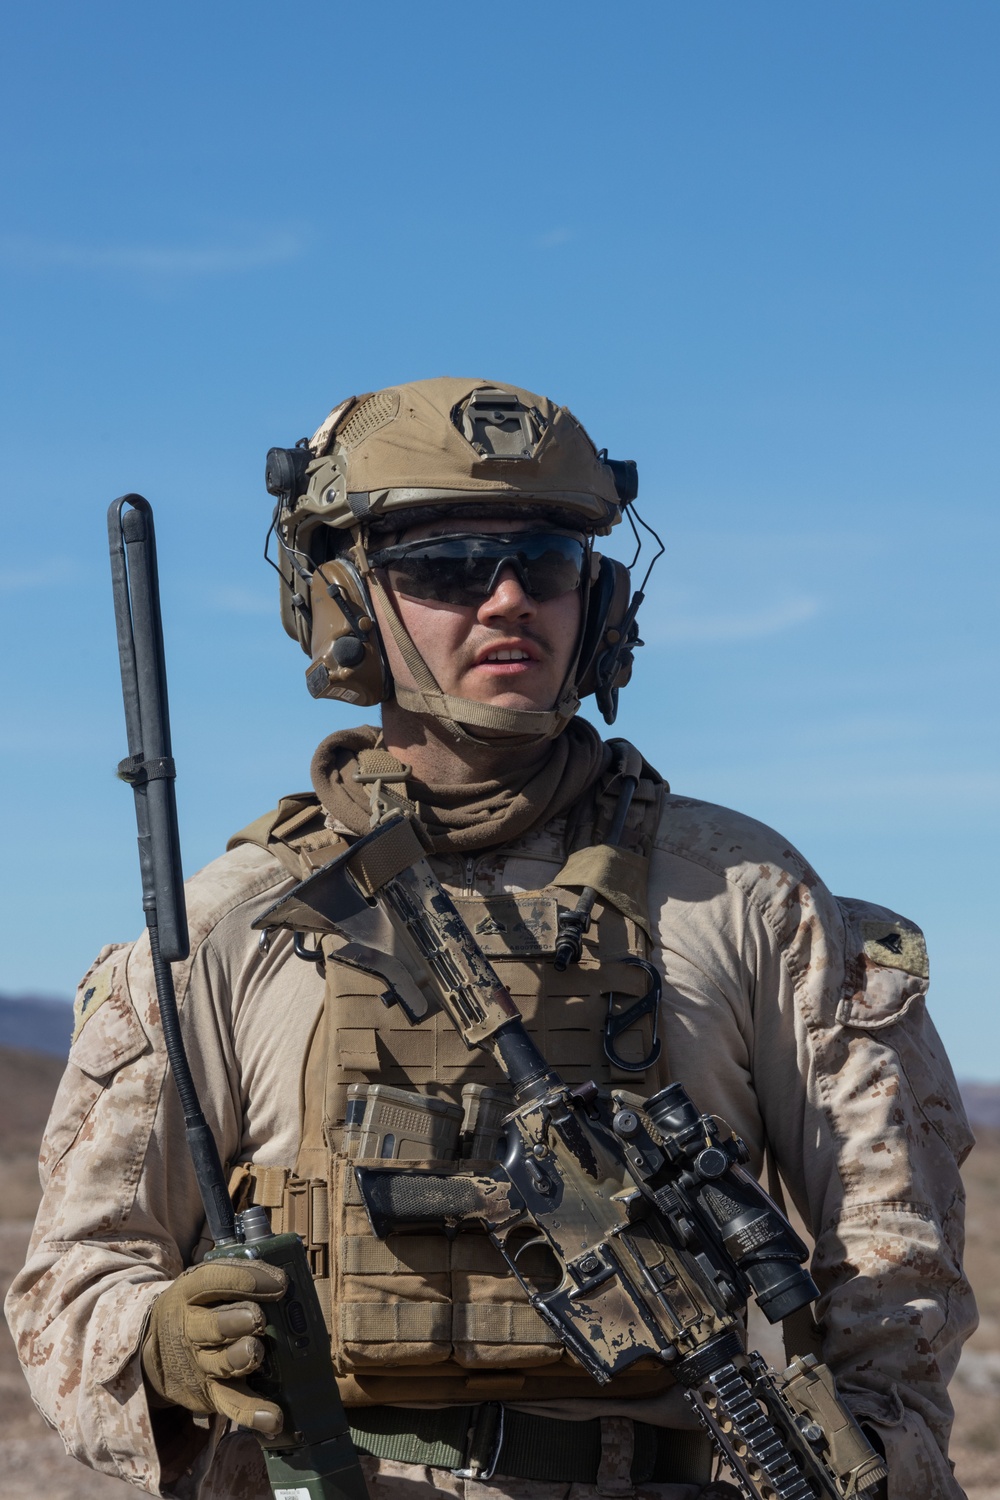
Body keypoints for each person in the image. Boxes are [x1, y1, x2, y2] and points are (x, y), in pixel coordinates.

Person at [7, 378, 975, 1500]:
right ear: (344, 601)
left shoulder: (748, 898)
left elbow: (895, 1269)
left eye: (546, 562)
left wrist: (871, 1462)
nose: (509, 599)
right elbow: (75, 1277)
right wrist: (160, 1345)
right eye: (447, 566)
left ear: (598, 598)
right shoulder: (234, 923)